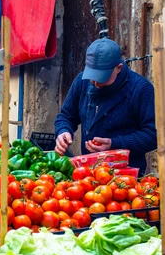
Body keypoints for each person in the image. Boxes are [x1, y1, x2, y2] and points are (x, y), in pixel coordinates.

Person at [54, 38, 157, 175]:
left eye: (101, 78)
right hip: (88, 174)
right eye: (92, 76)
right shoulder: (81, 82)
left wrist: (114, 144)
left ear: (118, 68)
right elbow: (65, 116)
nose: (95, 83)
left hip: (125, 177)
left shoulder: (141, 89)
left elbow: (153, 136)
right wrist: (63, 131)